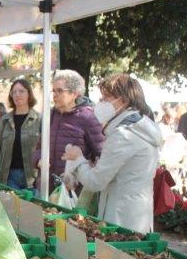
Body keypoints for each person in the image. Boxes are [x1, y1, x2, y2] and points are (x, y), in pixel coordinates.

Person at [62, 73, 162, 234]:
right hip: (136, 216)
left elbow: (95, 182)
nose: (100, 103)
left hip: (120, 219)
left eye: (105, 98)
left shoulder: (123, 135)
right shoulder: (140, 129)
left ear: (123, 100)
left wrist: (78, 159)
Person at [33, 69, 104, 190]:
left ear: (74, 93)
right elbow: (39, 147)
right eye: (54, 91)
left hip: (73, 191)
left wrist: (80, 175)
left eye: (60, 91)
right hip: (46, 187)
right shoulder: (49, 116)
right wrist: (38, 159)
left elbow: (102, 154)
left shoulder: (88, 117)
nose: (55, 95)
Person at [0, 79, 41, 190]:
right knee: (12, 202)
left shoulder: (39, 119)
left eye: (21, 91)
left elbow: (45, 149)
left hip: (33, 177)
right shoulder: (4, 120)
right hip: (9, 176)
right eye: (14, 92)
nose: (17, 95)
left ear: (29, 94)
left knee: (32, 202)